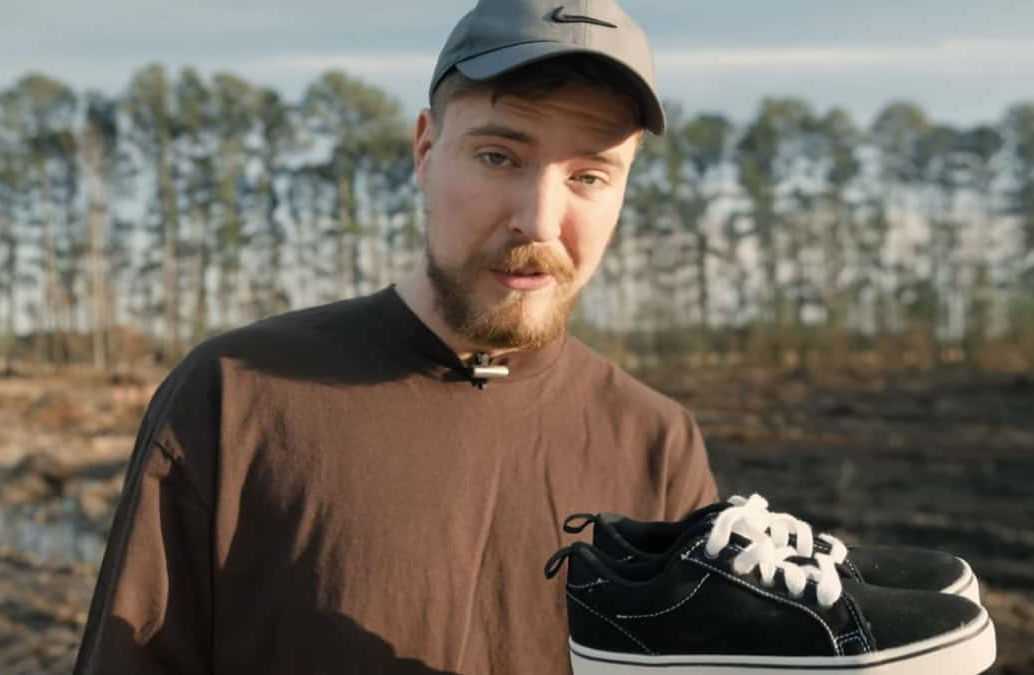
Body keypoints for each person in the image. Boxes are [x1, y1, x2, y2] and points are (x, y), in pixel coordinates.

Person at [72, 1, 718, 673]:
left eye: (588, 176)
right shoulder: (237, 397)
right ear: (425, 150)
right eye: (499, 156)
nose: (539, 221)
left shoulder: (659, 446)